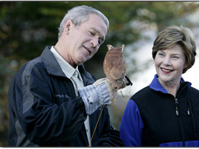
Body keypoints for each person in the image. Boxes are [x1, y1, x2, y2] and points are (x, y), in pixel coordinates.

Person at [8, 5, 124, 147]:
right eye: (91, 33)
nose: (95, 43)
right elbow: (39, 129)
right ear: (68, 27)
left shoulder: (91, 82)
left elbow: (106, 133)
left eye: (100, 41)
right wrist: (86, 101)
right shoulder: (33, 72)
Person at [119, 26, 199, 147]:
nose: (166, 62)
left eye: (175, 57)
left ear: (187, 63)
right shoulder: (137, 104)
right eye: (161, 54)